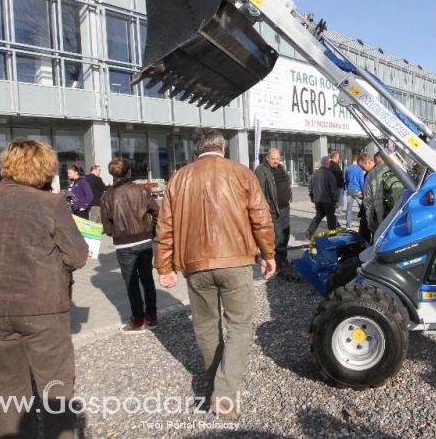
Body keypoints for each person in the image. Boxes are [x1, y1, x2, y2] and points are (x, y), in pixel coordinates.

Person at [0, 139, 88, 438]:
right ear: (46, 168)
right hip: (42, 306)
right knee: (55, 390)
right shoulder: (50, 203)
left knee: (6, 394)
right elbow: (76, 255)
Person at [155, 128, 275, 419]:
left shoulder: (178, 178)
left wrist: (164, 266)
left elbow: (165, 227)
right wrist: (268, 254)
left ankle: (215, 387)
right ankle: (223, 395)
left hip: (195, 265)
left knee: (206, 326)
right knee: (240, 326)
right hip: (235, 261)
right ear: (223, 148)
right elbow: (261, 216)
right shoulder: (242, 173)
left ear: (197, 150)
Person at [100, 157, 160, 332]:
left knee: (131, 283)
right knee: (147, 280)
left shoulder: (107, 195)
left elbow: (107, 225)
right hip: (144, 240)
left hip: (124, 243)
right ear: (129, 171)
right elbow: (157, 210)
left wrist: (114, 232)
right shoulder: (141, 190)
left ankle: (138, 320)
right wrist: (152, 230)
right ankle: (152, 317)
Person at [254, 148, 292, 268]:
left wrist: (290, 195)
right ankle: (278, 262)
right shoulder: (261, 170)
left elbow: (286, 183)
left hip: (285, 207)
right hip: (273, 209)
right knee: (278, 236)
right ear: (267, 158)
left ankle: (282, 258)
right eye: (273, 159)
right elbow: (259, 190)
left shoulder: (281, 168)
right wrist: (265, 205)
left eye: (277, 159)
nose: (275, 161)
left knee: (286, 233)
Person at [306, 156, 339, 240]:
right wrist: (336, 201)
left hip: (318, 200)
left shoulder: (315, 173)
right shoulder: (330, 174)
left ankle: (310, 231)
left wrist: (312, 197)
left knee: (318, 216)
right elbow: (333, 189)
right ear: (327, 164)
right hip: (328, 201)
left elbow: (310, 186)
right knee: (331, 218)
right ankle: (332, 236)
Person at [344, 153, 367, 228]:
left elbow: (346, 180)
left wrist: (348, 187)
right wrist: (363, 191)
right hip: (357, 191)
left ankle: (348, 225)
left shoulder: (348, 168)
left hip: (350, 190)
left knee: (349, 208)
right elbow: (362, 181)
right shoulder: (359, 169)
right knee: (362, 207)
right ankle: (365, 222)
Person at [329, 151, 345, 216]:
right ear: (335, 156)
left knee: (335, 204)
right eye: (338, 156)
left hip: (334, 188)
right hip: (338, 188)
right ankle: (335, 221)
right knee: (339, 204)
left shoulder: (329, 164)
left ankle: (334, 221)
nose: (339, 158)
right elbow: (338, 177)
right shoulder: (334, 165)